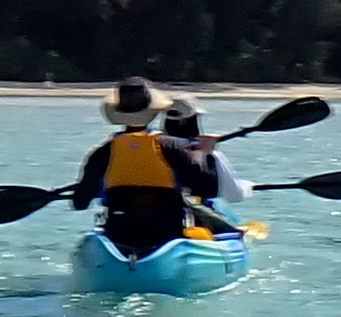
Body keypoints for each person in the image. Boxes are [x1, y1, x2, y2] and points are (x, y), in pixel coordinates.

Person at [69, 76, 219, 260]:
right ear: (153, 112)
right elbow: (207, 189)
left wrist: (96, 188)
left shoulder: (102, 153)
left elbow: (79, 203)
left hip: (119, 236)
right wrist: (207, 154)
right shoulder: (173, 147)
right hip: (165, 236)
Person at [159, 95, 252, 234]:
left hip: (152, 215)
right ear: (191, 121)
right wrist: (247, 188)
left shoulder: (150, 146)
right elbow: (235, 195)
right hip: (189, 218)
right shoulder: (205, 153)